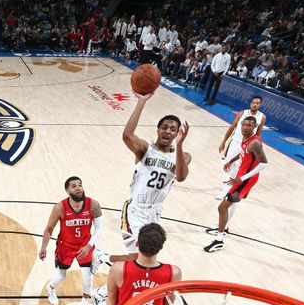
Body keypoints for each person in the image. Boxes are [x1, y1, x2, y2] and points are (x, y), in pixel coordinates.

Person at [91, 91, 190, 282]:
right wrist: (141, 102)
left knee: (140, 258)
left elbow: (181, 176)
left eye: (173, 129)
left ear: (178, 133)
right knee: (139, 259)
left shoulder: (183, 156)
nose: (168, 131)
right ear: (158, 129)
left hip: (155, 213)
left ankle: (102, 257)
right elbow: (127, 135)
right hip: (135, 210)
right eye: (164, 127)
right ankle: (103, 289)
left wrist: (180, 145)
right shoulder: (146, 149)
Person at [39, 177, 104, 305]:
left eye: (80, 185)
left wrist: (88, 246)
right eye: (74, 186)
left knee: (88, 276)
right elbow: (49, 229)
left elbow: (99, 228)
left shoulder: (93, 205)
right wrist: (44, 247)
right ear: (67, 190)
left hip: (85, 246)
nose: (78, 188)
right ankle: (50, 288)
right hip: (65, 246)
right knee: (61, 275)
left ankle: (84, 303)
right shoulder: (60, 207)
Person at [204, 116, 268, 252]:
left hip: (246, 179)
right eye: (243, 124)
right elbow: (242, 153)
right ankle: (224, 227)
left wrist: (242, 178)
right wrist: (230, 161)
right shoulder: (245, 138)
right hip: (242, 175)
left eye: (249, 125)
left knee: (222, 207)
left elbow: (263, 164)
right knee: (232, 203)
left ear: (254, 127)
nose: (245, 127)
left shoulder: (255, 143)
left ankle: (219, 240)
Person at [214, 96, 266, 201]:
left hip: (247, 145)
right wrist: (224, 141)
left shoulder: (262, 117)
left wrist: (258, 148)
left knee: (236, 169)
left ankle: (225, 191)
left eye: (257, 103)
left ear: (260, 105)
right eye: (253, 102)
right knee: (226, 165)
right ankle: (227, 187)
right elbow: (232, 127)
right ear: (250, 103)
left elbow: (259, 134)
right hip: (235, 143)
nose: (255, 104)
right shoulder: (242, 113)